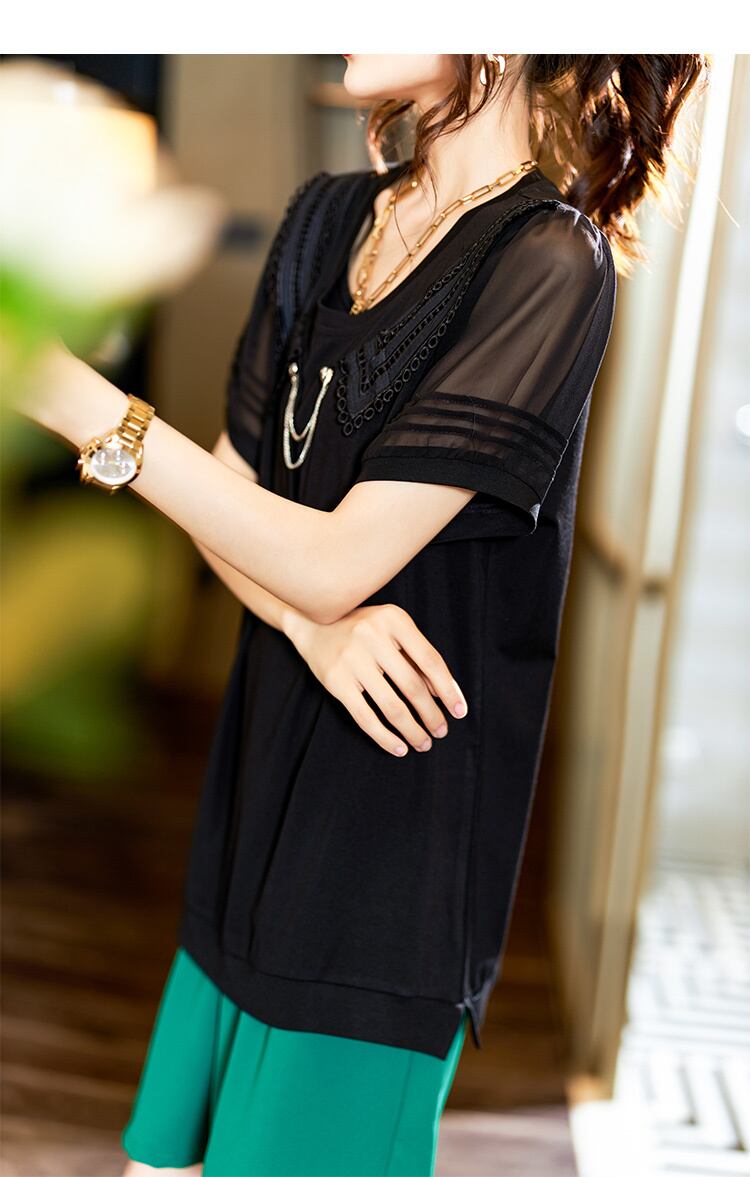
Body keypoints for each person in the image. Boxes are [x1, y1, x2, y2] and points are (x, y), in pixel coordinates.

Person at [17, 52, 708, 1177]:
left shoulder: (548, 263)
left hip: (385, 880)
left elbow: (336, 561)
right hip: (250, 820)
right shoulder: (326, 220)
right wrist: (312, 630)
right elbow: (230, 501)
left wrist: (82, 403)